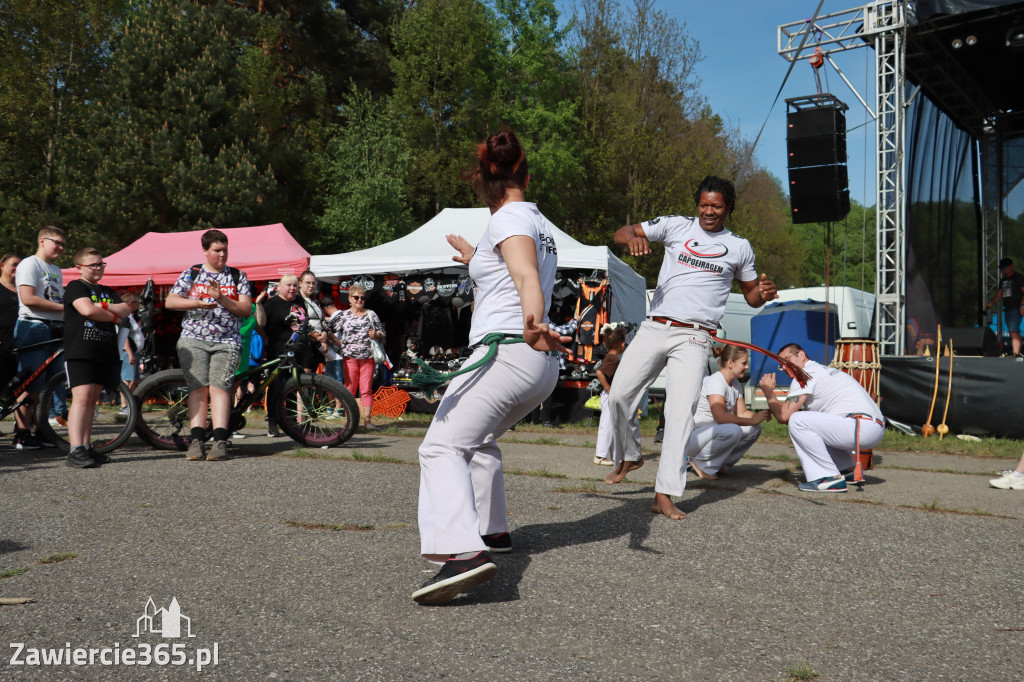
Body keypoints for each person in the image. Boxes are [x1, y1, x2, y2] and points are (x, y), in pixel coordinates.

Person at [413, 130, 568, 605]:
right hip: (535, 363)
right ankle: (492, 531)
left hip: (508, 350)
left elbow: (523, 275)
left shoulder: (509, 220)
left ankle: (463, 552)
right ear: (526, 172)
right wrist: (474, 259)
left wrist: (534, 322)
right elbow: (511, 270)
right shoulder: (536, 220)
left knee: (440, 446)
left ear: (484, 179)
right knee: (477, 441)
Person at [603, 176, 778, 519]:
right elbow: (622, 232)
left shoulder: (739, 246)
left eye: (716, 206)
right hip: (657, 325)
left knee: (679, 413)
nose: (708, 211)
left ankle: (665, 493)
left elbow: (752, 296)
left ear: (729, 208)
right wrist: (632, 241)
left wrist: (764, 293)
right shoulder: (675, 226)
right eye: (703, 205)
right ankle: (631, 454)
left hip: (696, 337)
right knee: (620, 395)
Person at [164, 229, 252, 461]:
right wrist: (197, 303)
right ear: (205, 251)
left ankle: (220, 441)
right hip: (194, 339)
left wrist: (221, 298)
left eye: (225, 250)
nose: (222, 255)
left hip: (227, 341)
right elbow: (170, 301)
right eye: (217, 250)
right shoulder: (192, 273)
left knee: (220, 388)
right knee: (199, 387)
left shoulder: (236, 276)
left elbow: (245, 310)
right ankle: (196, 441)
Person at [758, 343, 885, 493]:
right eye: (781, 365)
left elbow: (784, 416)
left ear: (801, 355)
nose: (785, 367)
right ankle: (847, 469)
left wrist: (768, 392)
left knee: (798, 420)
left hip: (859, 428)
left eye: (786, 360)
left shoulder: (804, 374)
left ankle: (827, 478)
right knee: (811, 423)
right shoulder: (822, 370)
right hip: (871, 427)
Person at [62, 248, 132, 468]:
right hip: (81, 350)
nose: (99, 268)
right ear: (80, 268)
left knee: (92, 400)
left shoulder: (106, 290)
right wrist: (113, 317)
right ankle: (75, 450)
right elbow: (87, 311)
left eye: (102, 264)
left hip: (104, 351)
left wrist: (102, 306)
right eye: (93, 265)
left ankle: (86, 446)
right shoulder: (75, 286)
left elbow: (126, 309)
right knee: (81, 398)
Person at [13, 226, 67, 450]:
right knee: (31, 382)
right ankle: (21, 433)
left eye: (64, 244)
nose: (61, 248)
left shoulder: (56, 269)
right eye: (58, 243)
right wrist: (63, 308)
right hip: (33, 325)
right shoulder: (29, 264)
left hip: (55, 327)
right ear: (43, 241)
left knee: (51, 383)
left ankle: (41, 429)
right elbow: (28, 298)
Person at [686, 345, 770, 479]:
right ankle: (702, 464)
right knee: (733, 430)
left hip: (713, 434)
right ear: (730, 363)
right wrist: (751, 420)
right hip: (695, 438)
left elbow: (741, 413)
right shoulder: (716, 381)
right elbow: (720, 417)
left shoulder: (735, 383)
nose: (747, 366)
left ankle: (722, 465)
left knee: (754, 428)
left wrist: (759, 416)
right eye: (744, 363)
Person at [254, 274, 307, 437]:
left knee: (295, 385)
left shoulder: (299, 300)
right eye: (288, 285)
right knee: (276, 387)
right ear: (280, 287)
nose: (292, 288)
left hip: (299, 350)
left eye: (295, 285)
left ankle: (291, 422)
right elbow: (259, 323)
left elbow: (304, 321)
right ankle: (273, 422)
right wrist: (265, 337)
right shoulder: (272, 304)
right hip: (278, 351)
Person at [335, 283, 384, 431]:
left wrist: (376, 334)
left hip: (367, 356)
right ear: (349, 298)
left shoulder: (371, 314)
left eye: (362, 298)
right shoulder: (343, 315)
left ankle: (367, 421)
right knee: (349, 388)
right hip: (350, 357)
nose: (359, 300)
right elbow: (328, 329)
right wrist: (338, 343)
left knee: (366, 389)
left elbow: (382, 333)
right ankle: (350, 421)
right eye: (356, 297)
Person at [593, 325, 638, 466]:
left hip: (609, 396)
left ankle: (614, 456)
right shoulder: (613, 359)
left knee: (613, 426)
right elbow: (599, 373)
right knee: (607, 425)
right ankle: (600, 455)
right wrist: (609, 389)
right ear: (622, 344)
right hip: (609, 396)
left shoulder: (610, 357)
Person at [0, 253, 29, 438]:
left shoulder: (23, 290)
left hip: (21, 346)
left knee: (23, 388)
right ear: (2, 265)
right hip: (1, 345)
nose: (17, 268)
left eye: (21, 265)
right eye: (14, 264)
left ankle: (22, 431)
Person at [984, 257, 1024, 355]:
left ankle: (1016, 354)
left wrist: (1022, 305)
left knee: (1013, 331)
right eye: (1002, 268)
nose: (1004, 270)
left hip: (1016, 307)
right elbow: (999, 294)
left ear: (1012, 266)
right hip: (1007, 308)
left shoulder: (1018, 277)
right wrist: (992, 303)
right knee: (1013, 331)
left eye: (1005, 267)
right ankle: (1017, 353)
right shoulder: (1003, 280)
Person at [117, 293, 144, 416]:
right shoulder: (125, 317)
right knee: (127, 380)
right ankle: (124, 406)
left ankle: (128, 402)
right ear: (129, 304)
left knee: (135, 378)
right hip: (128, 352)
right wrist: (130, 353)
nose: (137, 305)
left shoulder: (131, 316)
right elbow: (124, 337)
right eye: (135, 303)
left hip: (134, 352)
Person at [321, 297, 348, 417]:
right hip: (335, 356)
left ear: (325, 309)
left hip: (336, 356)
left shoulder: (335, 319)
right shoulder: (342, 315)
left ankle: (337, 409)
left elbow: (335, 339)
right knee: (332, 383)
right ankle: (332, 409)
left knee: (336, 383)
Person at [299, 270, 328, 372]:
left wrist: (325, 332)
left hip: (318, 345)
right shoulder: (298, 301)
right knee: (305, 378)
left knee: (312, 379)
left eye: (313, 283)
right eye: (308, 283)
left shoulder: (314, 301)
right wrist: (315, 336)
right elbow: (300, 324)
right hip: (306, 345)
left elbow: (323, 320)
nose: (311, 286)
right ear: (300, 283)